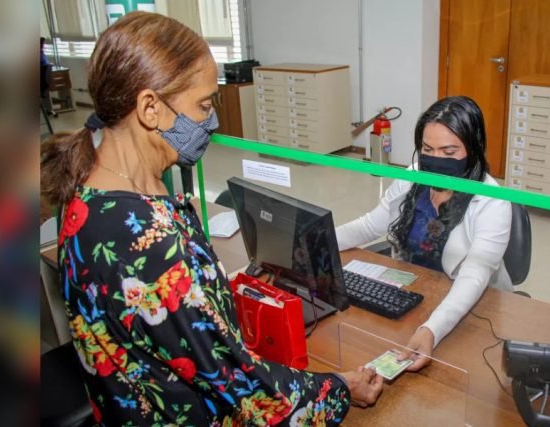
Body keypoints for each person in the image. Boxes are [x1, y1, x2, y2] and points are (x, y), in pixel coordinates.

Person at [40, 12, 382, 426]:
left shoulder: (87, 180)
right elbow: (249, 391)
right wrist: (340, 388)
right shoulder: (150, 242)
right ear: (150, 107)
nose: (212, 119)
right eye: (203, 104)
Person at [335, 96, 512, 371]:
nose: (436, 159)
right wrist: (316, 237)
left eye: (449, 152)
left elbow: (474, 275)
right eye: (428, 149)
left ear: (473, 149)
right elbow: (370, 225)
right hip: (417, 294)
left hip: (472, 308)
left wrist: (432, 329)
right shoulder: (413, 177)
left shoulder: (492, 201)